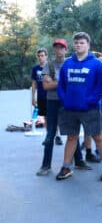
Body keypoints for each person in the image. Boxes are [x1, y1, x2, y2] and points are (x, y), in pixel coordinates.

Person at [56, 32, 102, 181]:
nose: (78, 45)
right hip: (69, 109)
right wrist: (65, 100)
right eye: (76, 43)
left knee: (98, 137)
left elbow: (101, 87)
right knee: (71, 137)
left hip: (90, 108)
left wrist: (90, 101)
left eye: (82, 42)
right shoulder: (67, 63)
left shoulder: (97, 63)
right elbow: (61, 85)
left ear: (88, 45)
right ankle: (66, 167)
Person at [36, 39, 91, 176]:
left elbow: (75, 82)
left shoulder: (71, 63)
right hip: (52, 102)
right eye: (56, 47)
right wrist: (64, 81)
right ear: (54, 50)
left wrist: (55, 80)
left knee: (73, 133)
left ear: (66, 50)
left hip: (68, 102)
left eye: (62, 47)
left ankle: (78, 161)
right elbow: (46, 86)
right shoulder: (49, 65)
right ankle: (46, 165)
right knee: (50, 133)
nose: (59, 50)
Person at [32, 48, 48, 123]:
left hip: (50, 96)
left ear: (46, 56)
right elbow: (34, 83)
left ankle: (56, 134)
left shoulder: (51, 67)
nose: (40, 57)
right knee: (44, 116)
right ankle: (49, 134)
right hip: (41, 96)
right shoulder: (35, 68)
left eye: (42, 55)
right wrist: (33, 97)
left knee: (53, 115)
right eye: (39, 56)